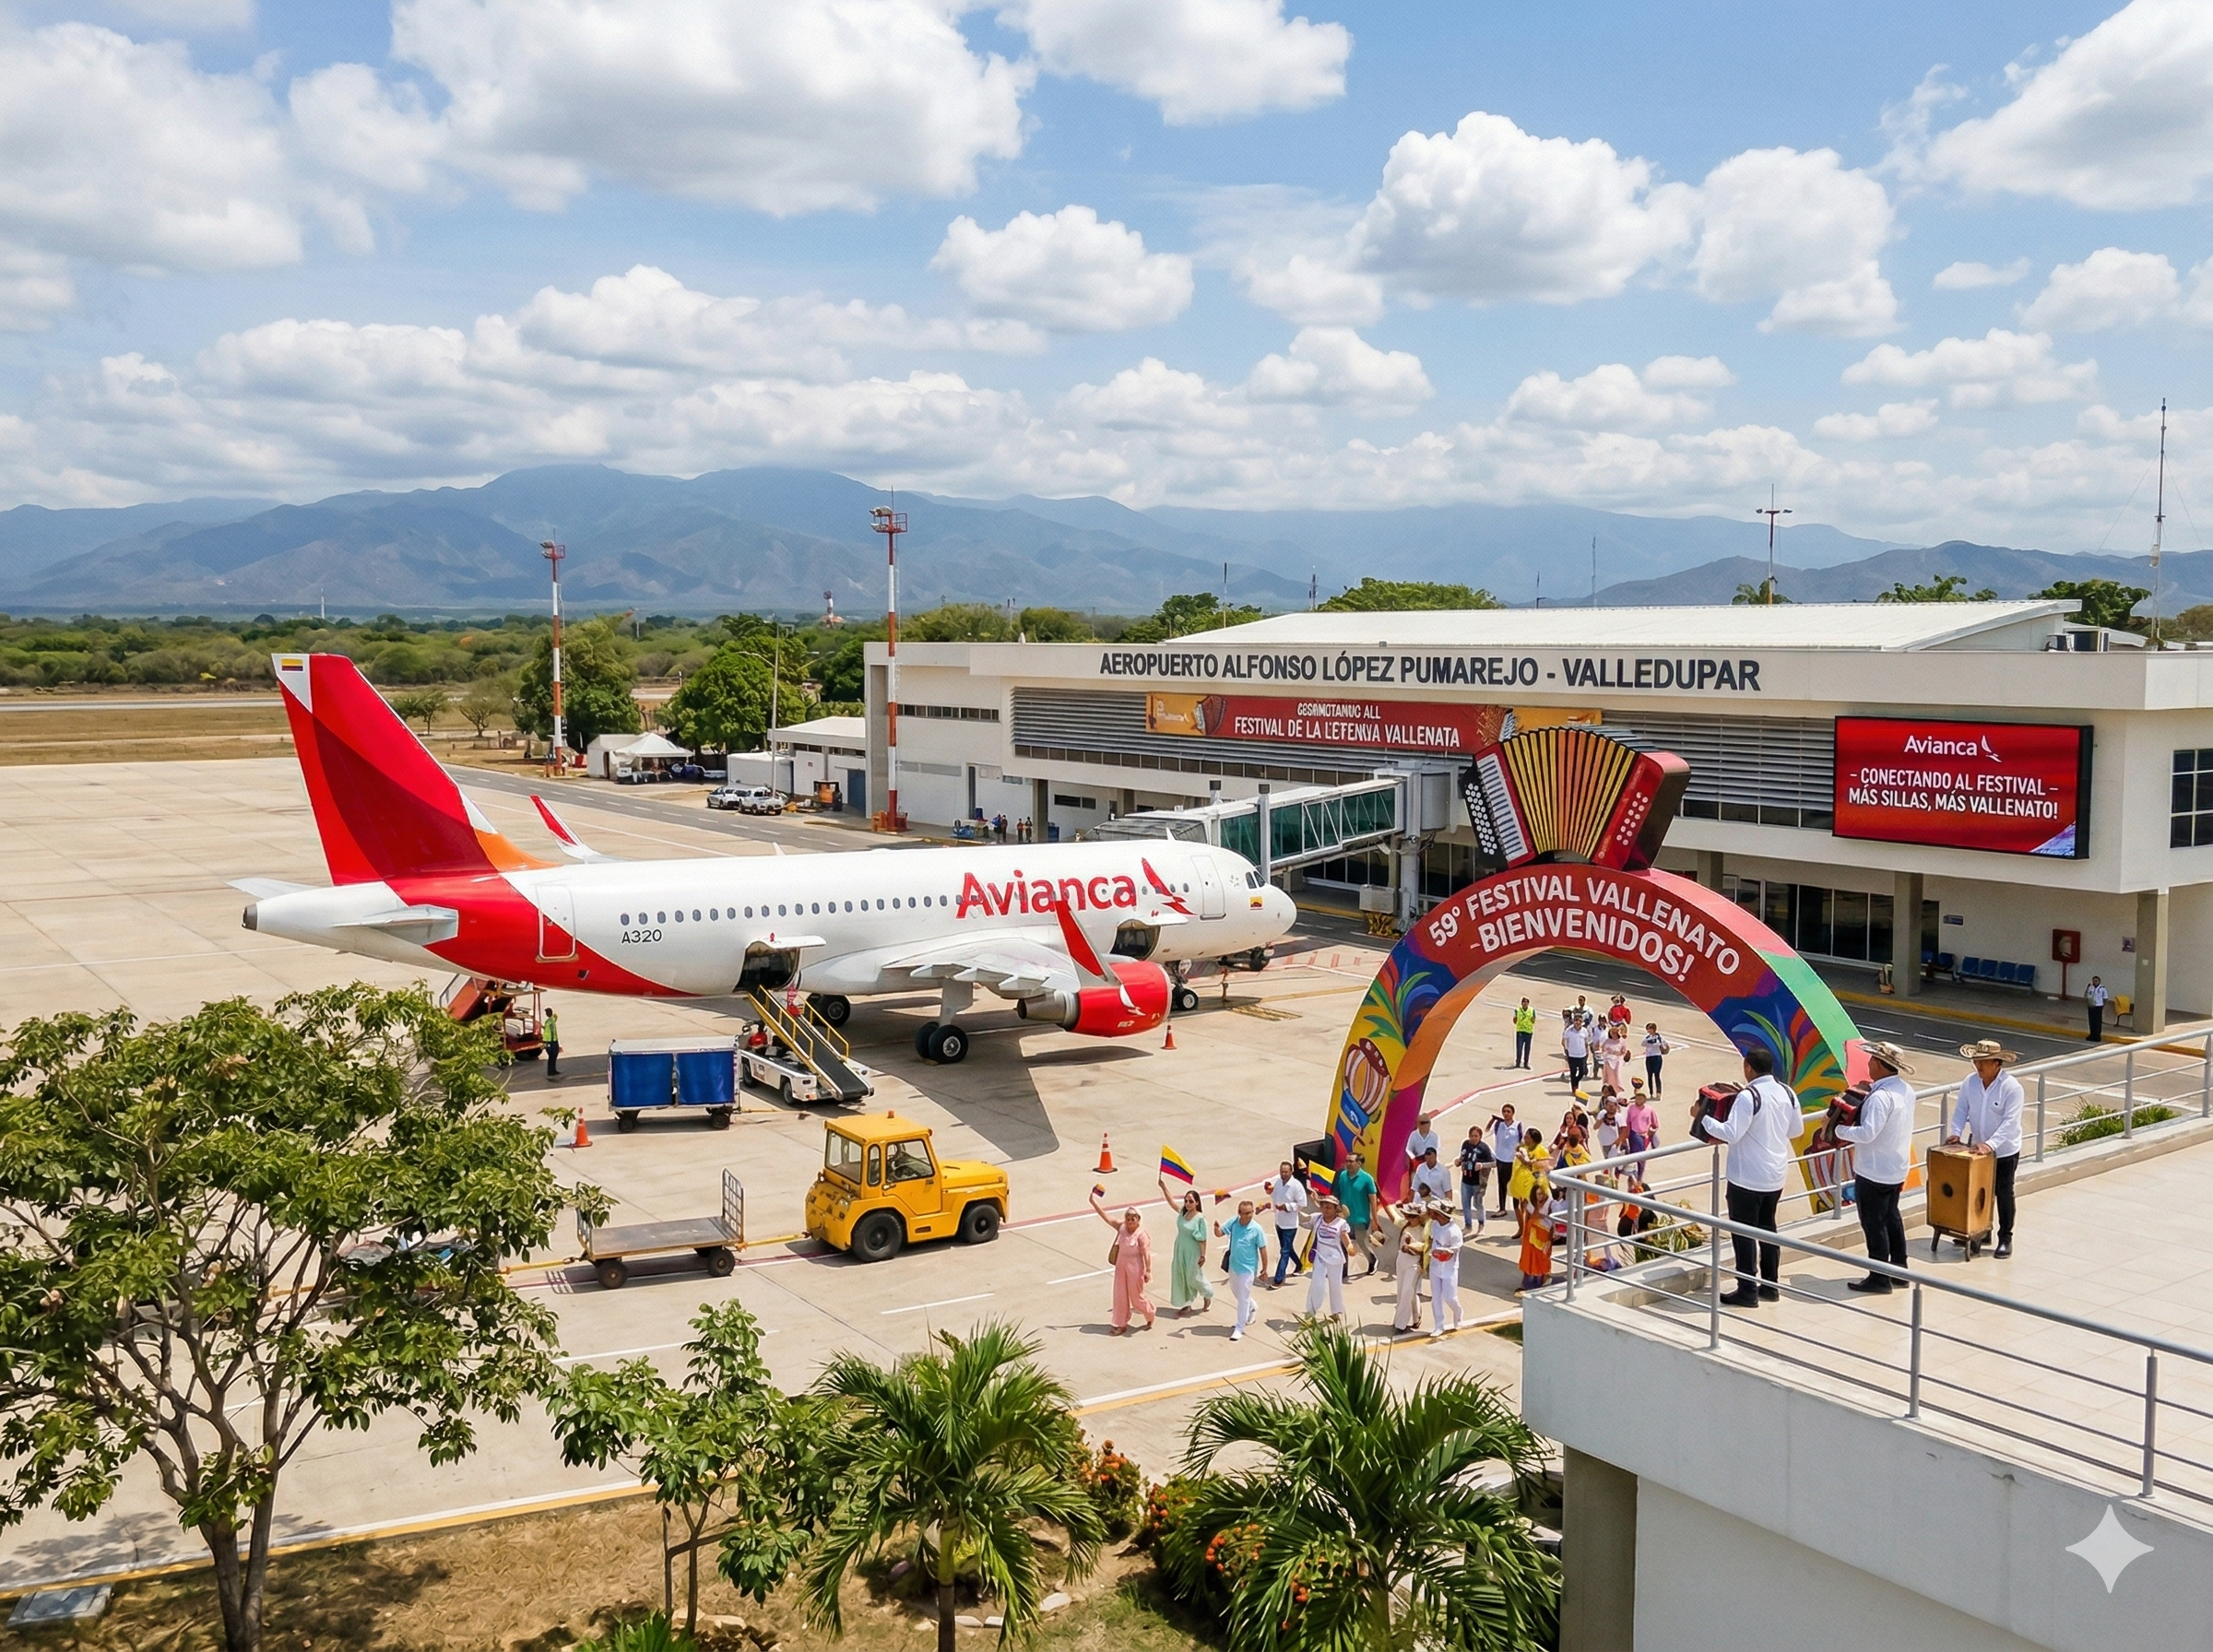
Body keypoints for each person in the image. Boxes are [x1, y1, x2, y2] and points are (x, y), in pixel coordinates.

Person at [1703, 1044, 1802, 1307]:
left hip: (1746, 1176)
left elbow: (1731, 1133)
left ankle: (1747, 1289)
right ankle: (1770, 1285)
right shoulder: (1787, 1092)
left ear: (1748, 1067)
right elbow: (1796, 1130)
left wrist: (1703, 1118)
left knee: (1743, 1233)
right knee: (1768, 1228)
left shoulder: (1749, 1096)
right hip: (1775, 1174)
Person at [1834, 1042, 1917, 1293]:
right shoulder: (1905, 1090)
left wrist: (1838, 1130)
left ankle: (1879, 1277)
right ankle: (1899, 1270)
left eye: (1872, 1060)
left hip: (1874, 1170)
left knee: (1874, 1223)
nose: (1868, 1064)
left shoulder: (1880, 1097)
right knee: (1891, 1217)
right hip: (1895, 1167)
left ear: (1880, 1065)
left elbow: (1868, 1133)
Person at [1948, 1038, 2026, 1259]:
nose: (1978, 1066)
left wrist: (1990, 1145)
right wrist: (1956, 1132)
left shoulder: (2011, 1088)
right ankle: (1980, 1232)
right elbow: (1961, 1110)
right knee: (1979, 1193)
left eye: (1983, 1062)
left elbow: (2010, 1123)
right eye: (1976, 1061)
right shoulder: (1970, 1082)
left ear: (1997, 1063)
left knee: (2003, 1193)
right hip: (1977, 1151)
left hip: (2004, 1151)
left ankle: (2006, 1237)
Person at [1088, 1195, 1155, 1334]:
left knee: (1136, 1298)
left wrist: (1148, 1271)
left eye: (1133, 1219)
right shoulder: (1121, 1227)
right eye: (1128, 1218)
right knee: (1120, 1296)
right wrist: (1093, 1202)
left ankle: (1150, 1313)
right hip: (1121, 1265)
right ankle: (1121, 1324)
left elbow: (1146, 1253)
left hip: (1135, 1267)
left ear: (1138, 1220)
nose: (1130, 1221)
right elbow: (1106, 1217)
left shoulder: (1142, 1234)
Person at [1158, 1180, 1215, 1316]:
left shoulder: (1200, 1219)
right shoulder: (1182, 1213)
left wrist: (1203, 1255)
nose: (1188, 1204)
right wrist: (1163, 1186)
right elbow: (1171, 1202)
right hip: (1180, 1248)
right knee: (1180, 1276)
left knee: (1193, 1277)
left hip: (1193, 1251)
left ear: (1197, 1203)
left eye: (1191, 1201)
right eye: (1186, 1201)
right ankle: (1187, 1303)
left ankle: (1207, 1294)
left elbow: (1203, 1238)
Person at [1215, 1198, 1270, 1341]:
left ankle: (1239, 1327)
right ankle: (1252, 1306)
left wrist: (1265, 1269)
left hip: (1248, 1268)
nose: (1249, 1216)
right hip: (1234, 1265)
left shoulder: (1256, 1229)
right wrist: (1216, 1228)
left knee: (1242, 1298)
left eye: (1250, 1212)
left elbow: (1263, 1249)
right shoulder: (1234, 1222)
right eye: (1245, 1213)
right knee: (1237, 1293)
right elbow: (1220, 1233)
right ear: (1239, 1213)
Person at [1305, 1196, 1352, 1321]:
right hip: (1320, 1257)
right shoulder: (1317, 1218)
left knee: (1335, 1286)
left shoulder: (1341, 1223)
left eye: (1329, 1207)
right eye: (1324, 1207)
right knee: (1317, 1284)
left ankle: (1337, 1312)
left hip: (1335, 1259)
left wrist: (1350, 1247)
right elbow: (1304, 1218)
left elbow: (1345, 1237)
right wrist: (1292, 1209)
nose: (1326, 1210)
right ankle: (1310, 1312)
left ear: (1336, 1209)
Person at [1332, 1155, 1380, 1277]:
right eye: (1347, 1161)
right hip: (1345, 1218)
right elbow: (1339, 1195)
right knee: (1343, 1242)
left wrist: (1375, 1220)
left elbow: (1373, 1201)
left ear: (1359, 1163)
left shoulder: (1367, 1179)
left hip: (1360, 1218)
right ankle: (1343, 1270)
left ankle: (1372, 1260)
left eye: (1351, 1161)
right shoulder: (1342, 1176)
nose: (1348, 1164)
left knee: (1360, 1242)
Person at [1390, 1199, 1430, 1332]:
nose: (1409, 1218)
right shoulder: (1404, 1225)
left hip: (1414, 1263)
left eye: (1412, 1216)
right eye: (1407, 1215)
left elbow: (1426, 1247)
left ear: (1419, 1217)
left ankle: (1401, 1324)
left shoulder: (1425, 1230)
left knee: (1407, 1290)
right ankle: (1416, 1316)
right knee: (1403, 1290)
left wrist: (1412, 1247)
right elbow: (1393, 1216)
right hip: (1401, 1260)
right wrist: (1384, 1201)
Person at [1266, 1161, 1308, 1287]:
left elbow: (1303, 1204)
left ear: (1291, 1172)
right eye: (1281, 1172)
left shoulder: (1296, 1186)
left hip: (1290, 1224)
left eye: (1286, 1172)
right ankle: (1299, 1265)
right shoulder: (1278, 1182)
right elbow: (1275, 1197)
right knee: (1287, 1248)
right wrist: (1269, 1191)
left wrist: (1287, 1207)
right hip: (1279, 1222)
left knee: (1284, 1251)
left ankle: (1279, 1279)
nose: (1283, 1174)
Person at [1426, 1201, 1463, 1336]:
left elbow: (1453, 1251)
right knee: (1436, 1298)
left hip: (1449, 1269)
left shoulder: (1455, 1231)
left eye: (1430, 1211)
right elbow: (1431, 1241)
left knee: (1450, 1298)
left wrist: (1443, 1253)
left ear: (1438, 1213)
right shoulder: (1434, 1225)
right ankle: (1439, 1326)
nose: (1428, 1213)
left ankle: (1458, 1314)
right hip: (1435, 1267)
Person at [1508, 1127, 1550, 1224]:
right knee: (1517, 1205)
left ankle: (1528, 1228)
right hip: (1518, 1182)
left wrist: (1526, 1161)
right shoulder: (1523, 1148)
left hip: (1532, 1183)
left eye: (1527, 1137)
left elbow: (1542, 1166)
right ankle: (1521, 1227)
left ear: (1533, 1139)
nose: (1525, 1138)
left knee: (1530, 1207)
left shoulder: (1541, 1150)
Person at [1518, 1177, 1555, 1290]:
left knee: (1543, 1258)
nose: (1540, 1196)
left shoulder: (1551, 1204)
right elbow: (1528, 1219)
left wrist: (1551, 1238)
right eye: (1538, 1194)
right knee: (1529, 1258)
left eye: (1542, 1194)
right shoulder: (1531, 1203)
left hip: (1544, 1236)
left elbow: (1553, 1222)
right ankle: (1529, 1280)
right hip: (1530, 1236)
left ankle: (1544, 1278)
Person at [1457, 1125, 1491, 1232]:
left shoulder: (1484, 1148)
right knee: (1465, 1204)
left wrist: (1482, 1165)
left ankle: (1481, 1225)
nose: (1473, 1138)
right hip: (1465, 1180)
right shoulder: (1465, 1144)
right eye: (1471, 1136)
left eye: (1476, 1136)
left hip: (1478, 1182)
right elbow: (1462, 1158)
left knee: (1478, 1204)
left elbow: (1493, 1163)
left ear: (1480, 1136)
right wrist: (1458, 1161)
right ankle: (1468, 1225)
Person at [1488, 1106, 1521, 1216]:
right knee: (1502, 1184)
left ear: (1513, 1113)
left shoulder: (1518, 1126)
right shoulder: (1498, 1124)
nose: (1506, 1113)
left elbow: (1522, 1140)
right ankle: (1502, 1208)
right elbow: (1487, 1131)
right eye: (1504, 1111)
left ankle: (1517, 1208)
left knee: (1514, 1185)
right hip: (1501, 1158)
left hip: (1513, 1160)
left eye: (1508, 1111)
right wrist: (1492, 1120)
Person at [1624, 1081, 1659, 1161]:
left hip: (1645, 1136)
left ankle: (1640, 1168)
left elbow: (1655, 1124)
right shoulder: (1631, 1108)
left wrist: (1651, 1131)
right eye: (1636, 1098)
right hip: (1634, 1134)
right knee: (1636, 1155)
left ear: (1645, 1100)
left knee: (1642, 1157)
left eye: (1640, 1099)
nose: (1638, 1100)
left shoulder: (1650, 1110)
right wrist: (1626, 1134)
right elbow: (1628, 1122)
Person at [1599, 1022, 1630, 1097]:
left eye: (1615, 1033)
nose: (1613, 1034)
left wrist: (1620, 1054)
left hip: (1617, 1060)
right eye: (1612, 1033)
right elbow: (1602, 1049)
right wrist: (1606, 1053)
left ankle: (1617, 1089)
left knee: (1617, 1075)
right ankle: (1608, 1089)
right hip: (1608, 1059)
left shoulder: (1622, 1041)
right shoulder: (1607, 1040)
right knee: (1609, 1076)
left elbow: (1624, 1051)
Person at [1561, 1012, 1590, 1092]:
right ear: (1573, 1021)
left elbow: (1586, 1042)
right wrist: (1566, 1051)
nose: (1578, 1022)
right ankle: (1574, 1088)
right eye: (1576, 1020)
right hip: (1572, 1055)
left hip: (1582, 1055)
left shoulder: (1584, 1031)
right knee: (1573, 1072)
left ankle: (1575, 1082)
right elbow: (1563, 1042)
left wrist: (1587, 1051)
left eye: (1580, 1021)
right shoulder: (1569, 1031)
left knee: (1582, 1072)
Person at [1641, 1021, 1670, 1096]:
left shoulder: (1659, 1037)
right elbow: (1642, 1044)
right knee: (1649, 1075)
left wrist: (1657, 1043)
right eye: (1648, 1029)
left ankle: (1658, 1092)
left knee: (1657, 1075)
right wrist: (1649, 1040)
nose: (1649, 1030)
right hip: (1649, 1057)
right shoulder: (1647, 1037)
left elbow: (1664, 1045)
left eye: (1650, 1029)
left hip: (1657, 1057)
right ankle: (1651, 1092)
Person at [1511, 997, 1536, 1068]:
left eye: (1526, 1002)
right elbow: (1514, 1020)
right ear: (1521, 1003)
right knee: (1519, 1048)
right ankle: (1518, 1062)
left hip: (1528, 1032)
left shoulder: (1532, 1010)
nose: (1525, 1004)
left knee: (1527, 1049)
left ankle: (1526, 1063)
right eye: (1524, 1002)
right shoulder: (1517, 1010)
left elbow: (1533, 1020)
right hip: (1520, 1032)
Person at [2085, 976, 2109, 1043]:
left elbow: (2105, 998)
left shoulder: (2102, 988)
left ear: (2099, 982)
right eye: (2094, 981)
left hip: (2098, 1006)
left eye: (2096, 981)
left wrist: (2103, 1006)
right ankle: (2092, 1034)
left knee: (2097, 1022)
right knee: (2091, 1021)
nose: (2095, 982)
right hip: (2091, 1006)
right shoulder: (2090, 987)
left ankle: (2097, 1036)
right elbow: (2087, 996)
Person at [542, 1007, 562, 1080]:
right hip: (552, 1041)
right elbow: (556, 1016)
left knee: (551, 1057)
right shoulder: (552, 1020)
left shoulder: (548, 1022)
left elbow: (547, 1032)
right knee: (553, 1056)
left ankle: (552, 1070)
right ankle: (551, 1070)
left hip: (550, 1041)